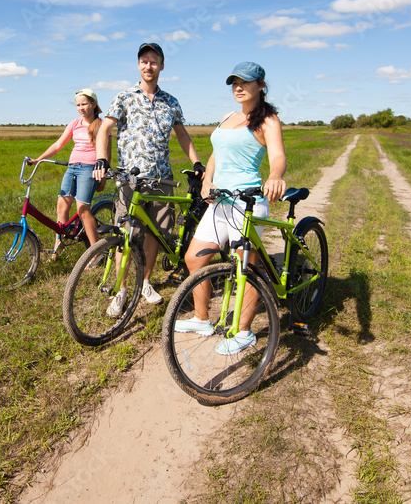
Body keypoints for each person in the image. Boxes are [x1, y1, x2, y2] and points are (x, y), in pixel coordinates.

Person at [174, 61, 287, 355]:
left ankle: (245, 332)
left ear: (260, 86)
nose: (238, 87)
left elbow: (277, 156)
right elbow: (216, 153)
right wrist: (207, 180)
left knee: (247, 267)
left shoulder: (267, 120)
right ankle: (201, 319)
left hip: (246, 201)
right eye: (234, 82)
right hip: (219, 200)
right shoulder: (228, 116)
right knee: (194, 259)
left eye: (245, 82)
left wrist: (275, 176)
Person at [93, 42, 201, 315]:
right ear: (138, 66)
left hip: (162, 180)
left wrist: (197, 162)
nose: (149, 65)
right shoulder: (124, 97)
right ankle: (121, 290)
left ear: (162, 66)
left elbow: (182, 134)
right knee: (126, 235)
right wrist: (102, 159)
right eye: (144, 61)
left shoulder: (171, 102)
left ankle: (145, 282)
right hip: (131, 180)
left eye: (154, 61)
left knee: (156, 233)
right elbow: (105, 128)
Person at [28, 88, 107, 252]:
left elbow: (106, 152)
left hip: (90, 169)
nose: (81, 108)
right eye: (78, 105)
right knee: (62, 208)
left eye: (84, 104)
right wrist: (38, 159)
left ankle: (95, 253)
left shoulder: (101, 125)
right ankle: (58, 248)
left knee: (83, 209)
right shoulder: (75, 123)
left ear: (93, 104)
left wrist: (103, 176)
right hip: (72, 168)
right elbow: (58, 145)